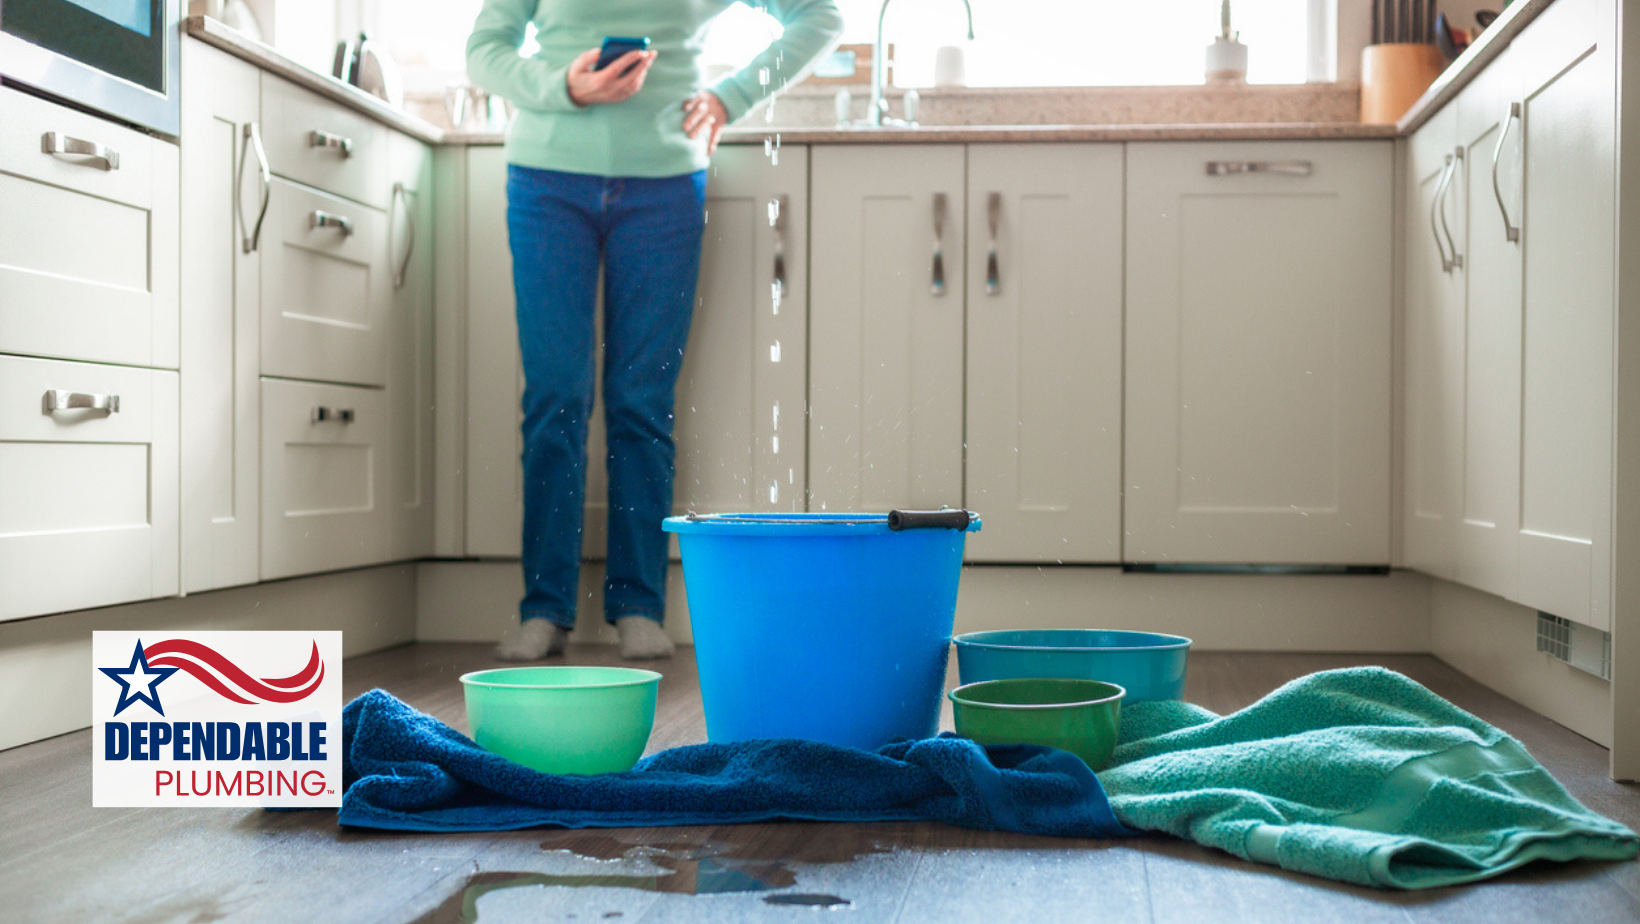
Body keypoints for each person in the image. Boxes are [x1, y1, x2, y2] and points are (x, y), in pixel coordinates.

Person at [467, 1, 843, 660]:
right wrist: (563, 87)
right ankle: (544, 607)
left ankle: (638, 602)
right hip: (545, 183)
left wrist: (732, 96)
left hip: (665, 187)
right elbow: (485, 48)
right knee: (555, 394)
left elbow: (820, 15)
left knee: (641, 402)